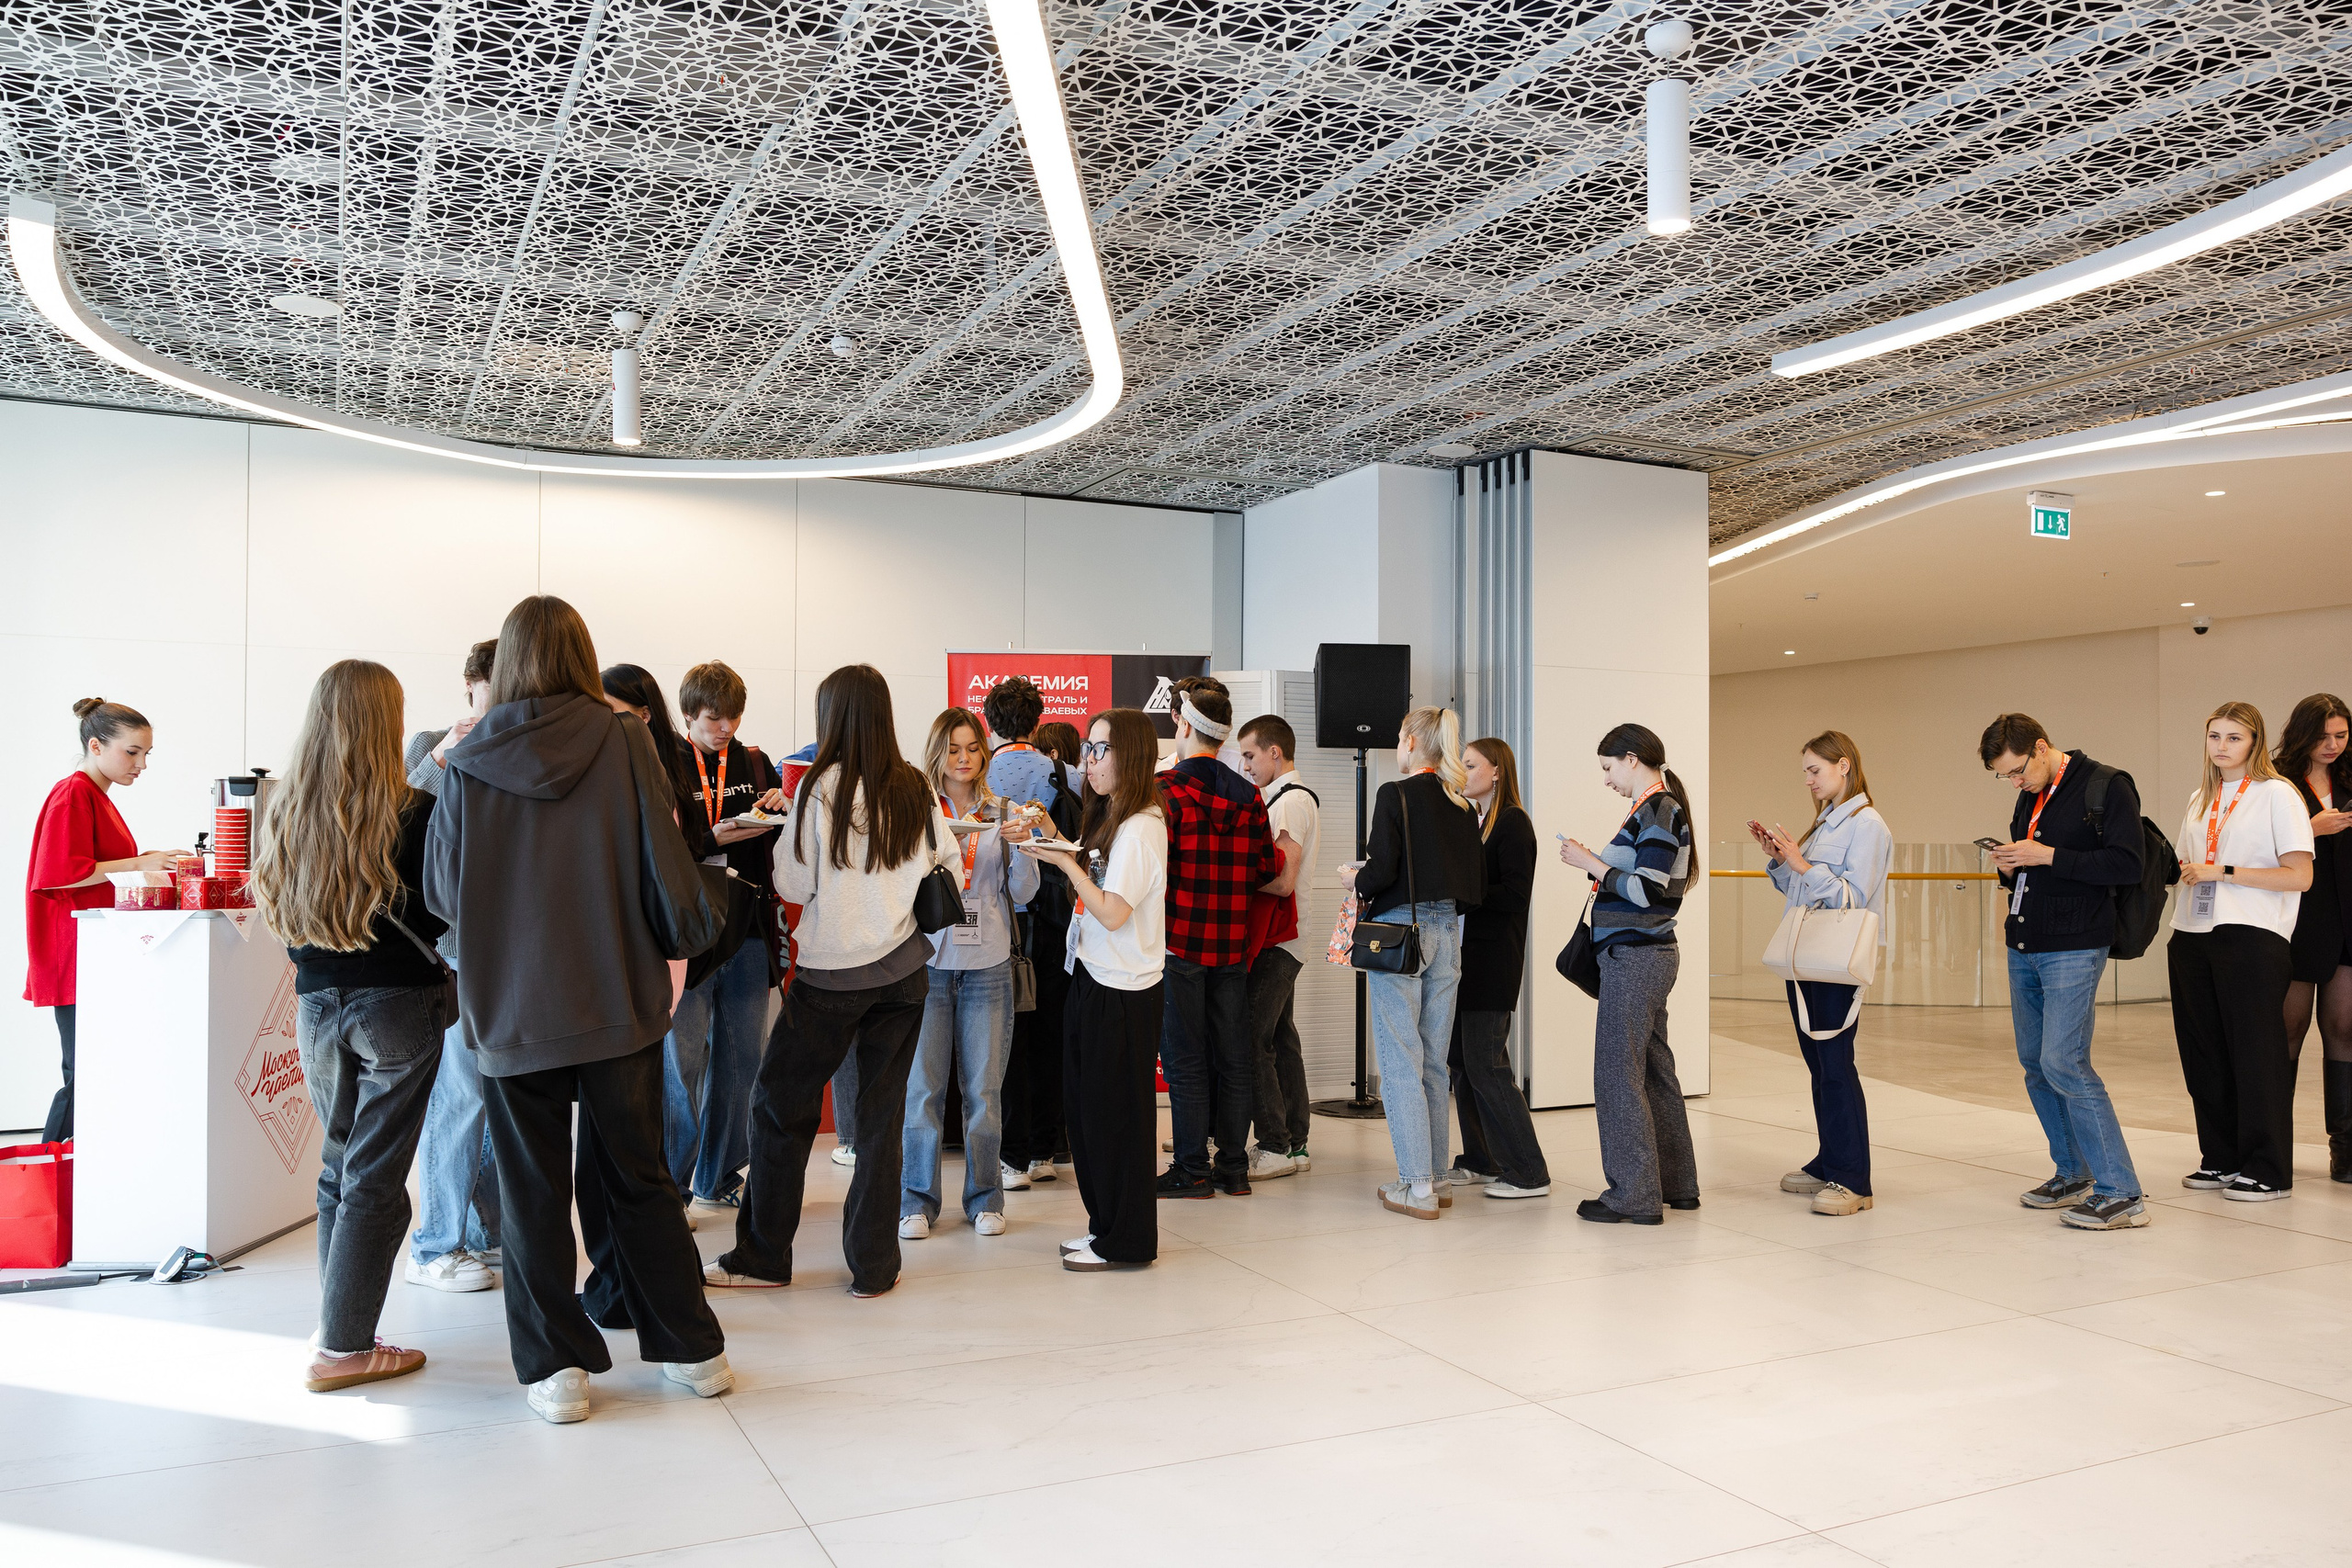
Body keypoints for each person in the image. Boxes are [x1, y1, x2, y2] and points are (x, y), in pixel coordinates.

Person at [425, 595, 731, 1424]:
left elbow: (442, 892)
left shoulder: (467, 756)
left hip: (511, 1007)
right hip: (617, 996)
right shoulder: (626, 739)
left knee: (530, 1192)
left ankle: (555, 1369)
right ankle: (691, 1349)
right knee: (639, 1177)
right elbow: (661, 858)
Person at [704, 664, 956, 1298]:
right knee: (880, 1119)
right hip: (904, 974)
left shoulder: (820, 788)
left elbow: (791, 883)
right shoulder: (915, 786)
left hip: (831, 980)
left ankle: (764, 1255)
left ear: (832, 717)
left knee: (778, 1107)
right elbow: (946, 862)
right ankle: (874, 1265)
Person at [254, 660, 449, 1393]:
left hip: (316, 1003)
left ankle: (338, 1323)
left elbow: (274, 905)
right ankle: (343, 1345)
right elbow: (440, 915)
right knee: (376, 1179)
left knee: (338, 1169)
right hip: (398, 1006)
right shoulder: (416, 811)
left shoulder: (286, 807)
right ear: (387, 723)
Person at [1979, 714, 2152, 1229]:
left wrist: (2049, 855)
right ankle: (2073, 1171)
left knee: (2065, 1062)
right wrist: (2011, 868)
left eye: (2017, 772)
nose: (2014, 783)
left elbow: (2127, 864)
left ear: (2041, 747)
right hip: (2027, 941)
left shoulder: (2107, 785)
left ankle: (2122, 1191)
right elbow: (2035, 866)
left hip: (2075, 945)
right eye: (2004, 777)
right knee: (2035, 1062)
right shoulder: (2030, 792)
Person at [1019, 708, 1167, 1272]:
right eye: (1090, 747)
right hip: (1094, 974)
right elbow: (1093, 866)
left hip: (1122, 988)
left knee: (1116, 1122)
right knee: (1089, 1116)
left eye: (1101, 749)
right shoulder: (1113, 818)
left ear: (1129, 756)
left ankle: (1125, 1241)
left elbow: (1110, 909)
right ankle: (1105, 1229)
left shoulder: (1142, 828)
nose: (1091, 760)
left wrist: (1063, 861)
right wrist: (1051, 837)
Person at [900, 706, 1040, 1240]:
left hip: (988, 966)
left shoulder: (1002, 809)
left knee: (984, 1092)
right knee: (923, 1092)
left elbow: (1023, 894)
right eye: (953, 749)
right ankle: (915, 1199)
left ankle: (985, 1197)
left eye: (972, 749)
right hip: (929, 964)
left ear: (984, 752)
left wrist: (1022, 845)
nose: (963, 759)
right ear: (937, 753)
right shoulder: (917, 813)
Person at [1341, 705, 1485, 1221]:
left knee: (1399, 1057)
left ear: (1411, 742)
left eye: (1399, 737)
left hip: (1401, 935)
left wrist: (1354, 879)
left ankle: (1416, 1184)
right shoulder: (1462, 803)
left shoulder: (1394, 795)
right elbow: (1474, 881)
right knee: (1431, 1059)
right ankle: (1437, 1177)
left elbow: (1382, 869)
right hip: (1449, 933)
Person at [2168, 701, 2314, 1202]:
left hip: (2252, 934)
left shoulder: (2278, 795)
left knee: (2255, 1055)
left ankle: (2268, 1169)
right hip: (2191, 930)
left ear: (2254, 741)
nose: (2223, 747)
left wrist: (2223, 871)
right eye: (2215, 737)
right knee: (2203, 1052)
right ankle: (2222, 1159)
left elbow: (2300, 875)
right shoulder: (2198, 798)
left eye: (2234, 737)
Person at [23, 699, 187, 1145]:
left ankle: (74, 1184)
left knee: (93, 1074)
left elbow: (96, 868)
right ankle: (48, 1184)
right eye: (132, 752)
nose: (142, 764)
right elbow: (61, 874)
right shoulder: (74, 792)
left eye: (147, 754)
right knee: (83, 1076)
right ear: (95, 746)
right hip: (76, 954)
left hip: (92, 953)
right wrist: (140, 863)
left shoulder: (94, 795)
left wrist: (146, 864)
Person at [1557, 723, 1698, 1225]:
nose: (1607, 779)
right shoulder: (1656, 809)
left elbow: (1647, 889)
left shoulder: (1660, 808)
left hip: (1636, 958)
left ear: (1633, 759)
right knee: (1655, 1069)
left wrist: (1589, 862)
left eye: (1608, 768)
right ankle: (1676, 1184)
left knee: (1618, 1073)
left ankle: (1634, 1194)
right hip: (1648, 955)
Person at [662, 661, 786, 1212]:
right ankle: (672, 1185)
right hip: (690, 929)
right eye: (714, 719)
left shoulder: (756, 762)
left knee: (742, 1061)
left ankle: (720, 1175)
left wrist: (779, 806)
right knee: (681, 1064)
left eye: (734, 717)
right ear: (689, 714)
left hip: (747, 923)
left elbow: (780, 845)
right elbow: (659, 852)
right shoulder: (667, 765)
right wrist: (712, 834)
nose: (725, 729)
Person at [1154, 676, 1284, 1200]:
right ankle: (1233, 1167)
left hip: (1180, 944)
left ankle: (1191, 1169)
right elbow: (1264, 869)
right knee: (1234, 1059)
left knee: (1185, 1060)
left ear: (1184, 725)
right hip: (1231, 948)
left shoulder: (1164, 792)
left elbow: (1152, 870)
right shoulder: (1250, 794)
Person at [1750, 731, 1891, 1218]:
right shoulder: (1828, 821)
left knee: (1835, 1065)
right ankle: (1831, 1159)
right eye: (1806, 772)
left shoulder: (1867, 824)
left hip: (1836, 960)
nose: (1808, 780)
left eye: (1815, 770)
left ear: (1844, 765)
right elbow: (1805, 890)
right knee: (1819, 1064)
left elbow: (1852, 898)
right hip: (1808, 956)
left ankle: (1854, 1179)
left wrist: (1801, 862)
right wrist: (1781, 859)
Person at [401, 639, 502, 1292]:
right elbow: (404, 814)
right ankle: (436, 1241)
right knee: (460, 1095)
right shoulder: (431, 742)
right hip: (454, 947)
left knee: (495, 1097)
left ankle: (483, 1230)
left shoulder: (524, 743)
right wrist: (447, 754)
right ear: (471, 683)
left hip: (510, 947)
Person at [1443, 736, 1549, 1200]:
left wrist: (1465, 891)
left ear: (1496, 771)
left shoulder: (1513, 824)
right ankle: (1481, 1159)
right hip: (1465, 963)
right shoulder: (1478, 821)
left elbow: (1515, 896)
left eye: (1470, 764)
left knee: (1487, 1066)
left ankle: (1528, 1171)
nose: (1462, 772)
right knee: (1463, 1065)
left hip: (1492, 964)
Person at [986, 676, 1074, 1188]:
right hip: (1058, 919)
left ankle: (1012, 1156)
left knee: (1007, 1038)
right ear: (1037, 719)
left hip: (1002, 920)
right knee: (1051, 1032)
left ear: (988, 722)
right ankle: (1047, 1147)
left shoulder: (977, 773)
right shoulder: (1066, 773)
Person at [1234, 714, 1320, 1179]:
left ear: (1274, 752)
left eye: (1250, 755)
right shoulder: (1286, 800)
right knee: (1280, 1039)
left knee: (1252, 1038)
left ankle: (1273, 1145)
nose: (1245, 766)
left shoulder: (1288, 804)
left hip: (1278, 939)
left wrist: (1228, 874)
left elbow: (1283, 881)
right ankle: (1295, 1143)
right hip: (1286, 938)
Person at [2276, 694, 2352, 1181]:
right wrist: (2311, 828)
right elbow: (2255, 844)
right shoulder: (2278, 781)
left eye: (2341, 735)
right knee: (2287, 1029)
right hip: (2297, 921)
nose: (2332, 745)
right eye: (2323, 735)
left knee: (2344, 1029)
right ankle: (2271, 1141)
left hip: (2347, 920)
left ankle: (2344, 1148)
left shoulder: (2350, 777)